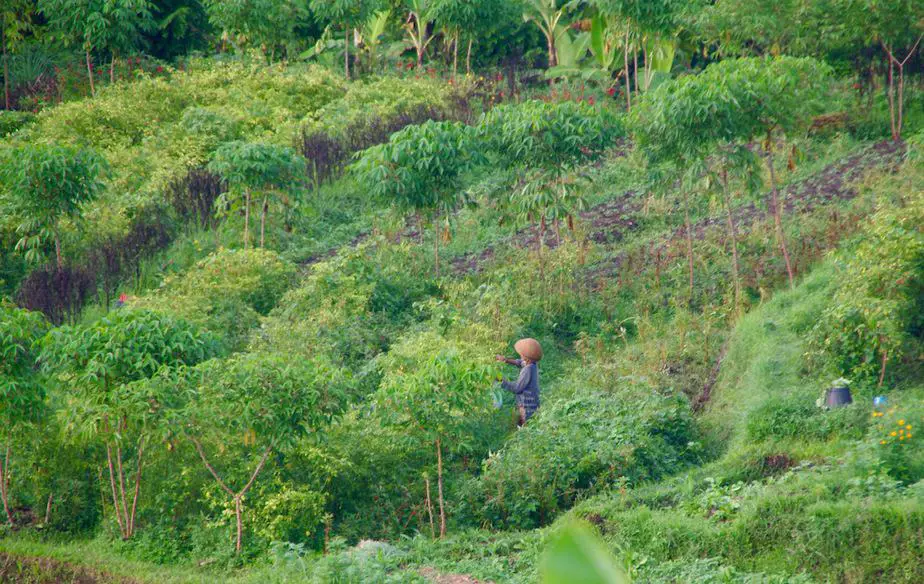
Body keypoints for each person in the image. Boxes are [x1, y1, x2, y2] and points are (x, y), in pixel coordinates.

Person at [495, 338, 542, 426]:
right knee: (528, 423)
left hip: (527, 403)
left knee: (526, 424)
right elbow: (520, 362)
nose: (520, 355)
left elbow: (517, 388)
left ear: (526, 357)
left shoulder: (527, 370)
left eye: (521, 354)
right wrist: (505, 360)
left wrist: (501, 380)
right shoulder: (532, 363)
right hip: (532, 401)